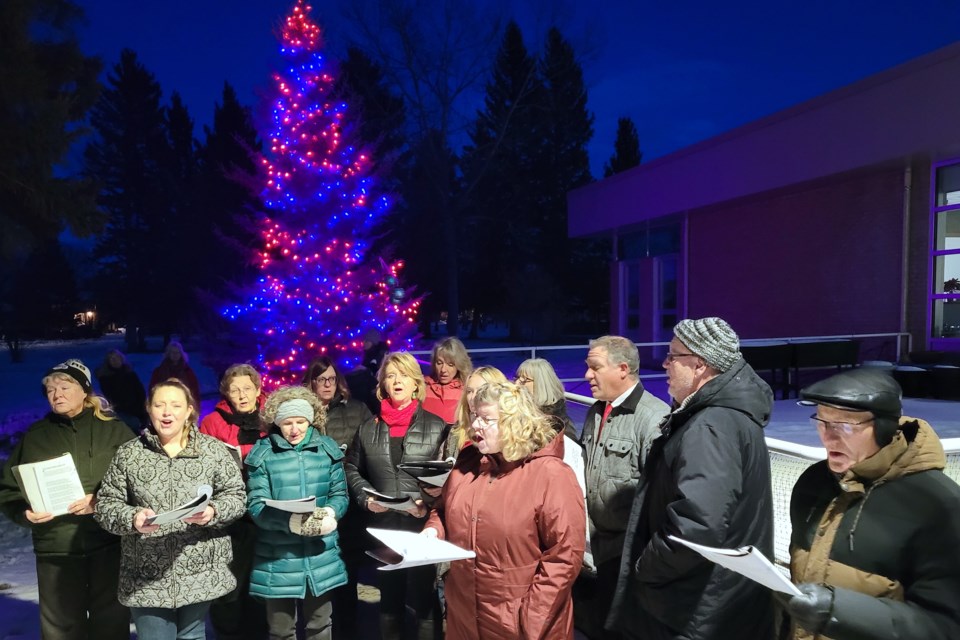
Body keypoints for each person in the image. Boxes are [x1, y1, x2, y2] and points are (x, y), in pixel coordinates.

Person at [608, 317, 776, 640]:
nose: (665, 363)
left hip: (697, 610)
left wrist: (645, 567)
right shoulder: (721, 416)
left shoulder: (709, 426)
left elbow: (698, 526)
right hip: (714, 602)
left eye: (673, 356)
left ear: (699, 365)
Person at [780, 368, 960, 640]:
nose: (828, 437)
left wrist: (840, 611)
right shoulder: (813, 483)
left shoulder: (939, 506)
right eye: (822, 422)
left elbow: (945, 626)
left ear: (885, 428)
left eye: (845, 426)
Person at [423, 381, 586, 639]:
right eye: (476, 415)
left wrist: (530, 619)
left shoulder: (551, 475)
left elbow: (564, 556)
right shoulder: (467, 466)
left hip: (521, 625)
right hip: (464, 618)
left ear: (515, 423)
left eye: (486, 419)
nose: (475, 425)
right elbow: (443, 509)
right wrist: (433, 531)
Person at [95, 378, 246, 640]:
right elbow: (106, 505)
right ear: (149, 408)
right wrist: (132, 518)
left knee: (192, 636)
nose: (167, 412)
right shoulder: (130, 454)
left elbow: (236, 496)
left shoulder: (212, 451)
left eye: (175, 405)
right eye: (159, 404)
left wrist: (213, 511)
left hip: (199, 568)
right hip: (146, 573)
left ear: (189, 410)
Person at [0, 359, 134, 640]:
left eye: (64, 386)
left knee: (110, 624)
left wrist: (101, 502)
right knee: (61, 629)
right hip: (55, 547)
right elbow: (8, 490)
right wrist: (24, 513)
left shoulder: (115, 430)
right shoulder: (36, 436)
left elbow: (138, 482)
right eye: (50, 390)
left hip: (107, 543)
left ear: (85, 391)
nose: (56, 394)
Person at [344, 351, 446, 640]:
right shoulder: (367, 429)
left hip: (422, 529)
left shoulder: (437, 426)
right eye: (390, 375)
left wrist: (426, 504)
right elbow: (351, 468)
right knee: (389, 597)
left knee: (425, 598)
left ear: (416, 383)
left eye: (403, 375)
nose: (396, 380)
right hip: (384, 528)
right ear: (382, 385)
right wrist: (367, 499)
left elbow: (446, 479)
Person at [575, 335, 669, 639]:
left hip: (629, 559)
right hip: (594, 552)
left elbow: (660, 497)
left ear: (623, 369)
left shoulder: (653, 419)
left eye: (595, 367)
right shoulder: (595, 411)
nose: (587, 375)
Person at [246, 385, 349, 640]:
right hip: (278, 556)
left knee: (320, 625)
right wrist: (290, 522)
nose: (295, 429)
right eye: (287, 423)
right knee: (281, 630)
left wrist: (330, 513)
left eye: (301, 422)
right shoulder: (264, 454)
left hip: (319, 553)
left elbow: (340, 494)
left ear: (311, 420)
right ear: (277, 423)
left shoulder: (326, 449)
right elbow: (256, 506)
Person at [303, 356, 373, 640]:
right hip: (315, 502)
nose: (327, 384)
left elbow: (370, 448)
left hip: (350, 503)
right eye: (321, 379)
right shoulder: (303, 413)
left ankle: (349, 628)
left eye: (331, 378)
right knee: (318, 571)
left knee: (347, 570)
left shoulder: (357, 410)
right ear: (312, 382)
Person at [199, 364, 269, 640]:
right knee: (228, 587)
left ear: (258, 390)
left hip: (264, 512)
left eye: (247, 389)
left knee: (261, 584)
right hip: (228, 518)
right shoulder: (212, 422)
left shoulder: (272, 418)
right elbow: (201, 467)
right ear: (226, 393)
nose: (242, 395)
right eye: (235, 389)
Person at [515, 357, 578, 441]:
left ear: (541, 385)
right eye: (517, 378)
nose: (516, 383)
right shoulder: (518, 409)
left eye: (524, 380)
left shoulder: (558, 424)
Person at [422, 337, 472, 424]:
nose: (443, 370)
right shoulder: (423, 386)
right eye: (439, 363)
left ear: (459, 365)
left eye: (450, 364)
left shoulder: (467, 390)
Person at [95, 348, 148, 430]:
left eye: (117, 358)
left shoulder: (130, 374)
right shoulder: (105, 378)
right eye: (112, 359)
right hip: (120, 411)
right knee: (133, 423)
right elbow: (111, 398)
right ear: (108, 362)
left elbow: (140, 392)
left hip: (138, 409)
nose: (115, 361)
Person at [149, 340, 202, 406]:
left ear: (181, 354)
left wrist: (195, 407)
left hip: (183, 405)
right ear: (168, 354)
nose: (175, 355)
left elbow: (195, 391)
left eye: (177, 352)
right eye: (173, 352)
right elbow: (153, 390)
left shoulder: (187, 371)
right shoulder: (159, 371)